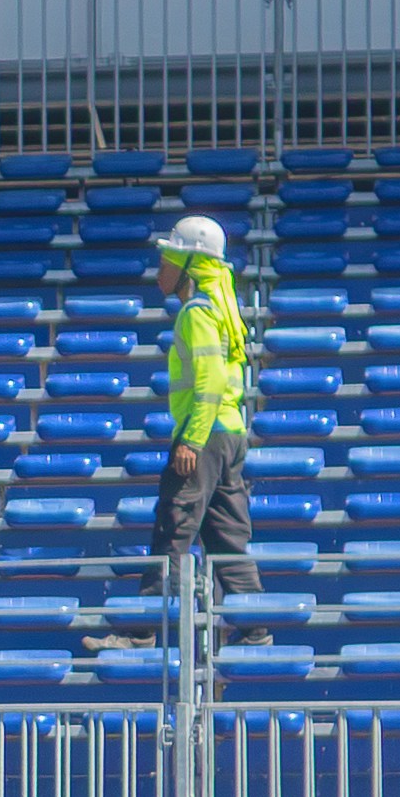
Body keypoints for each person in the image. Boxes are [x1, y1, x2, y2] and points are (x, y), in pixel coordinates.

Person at [149, 208, 256, 598]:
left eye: (166, 262)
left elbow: (210, 382)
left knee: (172, 532)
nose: (159, 272)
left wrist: (191, 440)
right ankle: (255, 623)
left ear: (188, 266)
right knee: (228, 542)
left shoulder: (196, 313)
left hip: (205, 436)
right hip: (230, 434)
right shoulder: (220, 307)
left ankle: (150, 623)